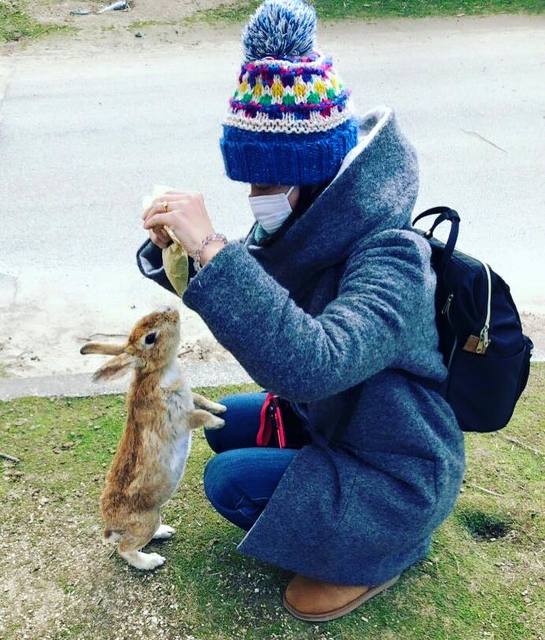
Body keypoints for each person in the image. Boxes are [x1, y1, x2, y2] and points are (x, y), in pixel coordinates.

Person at [136, 0, 465, 623]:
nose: (254, 199)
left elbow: (314, 364)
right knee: (220, 422)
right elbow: (255, 302)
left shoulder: (393, 257)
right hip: (337, 423)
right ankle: (329, 518)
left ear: (313, 176)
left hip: (396, 469)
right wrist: (182, 256)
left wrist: (214, 248)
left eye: (264, 184)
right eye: (249, 182)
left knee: (228, 481)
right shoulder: (317, 225)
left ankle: (385, 551)